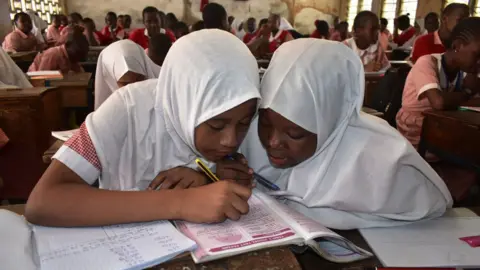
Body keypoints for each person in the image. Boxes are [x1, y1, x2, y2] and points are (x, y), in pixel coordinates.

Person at [25, 30, 260, 227]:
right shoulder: (126, 108)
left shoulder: (242, 112)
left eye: (244, 123)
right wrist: (181, 202)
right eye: (216, 125)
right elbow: (43, 201)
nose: (230, 140)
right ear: (186, 103)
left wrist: (210, 178)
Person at [237, 39, 452, 229]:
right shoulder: (249, 137)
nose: (272, 141)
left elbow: (432, 209)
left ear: (330, 124)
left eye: (294, 134)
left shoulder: (382, 162)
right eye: (264, 123)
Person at [396, 17, 480, 149]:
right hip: (414, 136)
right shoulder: (427, 62)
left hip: (442, 129)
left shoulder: (467, 70)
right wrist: (467, 92)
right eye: (478, 55)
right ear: (456, 46)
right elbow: (438, 102)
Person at [94, 39, 160, 109]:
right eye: (125, 84)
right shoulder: (104, 114)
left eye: (138, 79)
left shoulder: (163, 93)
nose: (133, 88)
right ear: (111, 79)